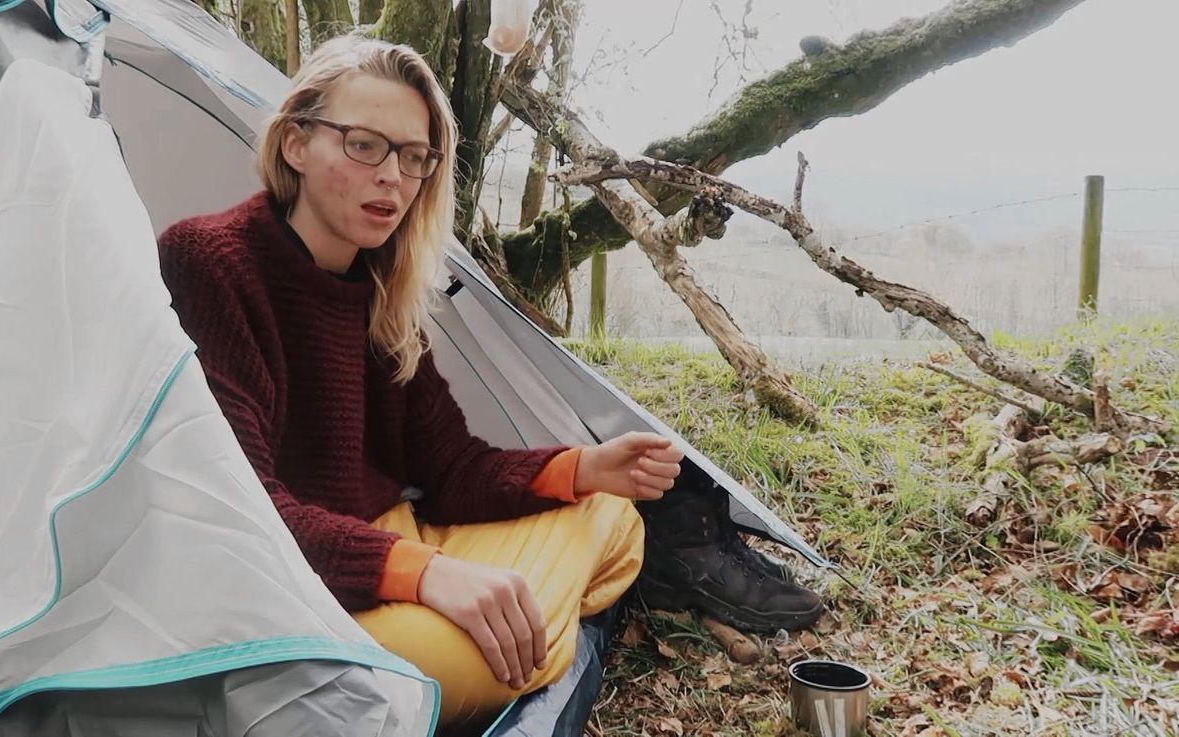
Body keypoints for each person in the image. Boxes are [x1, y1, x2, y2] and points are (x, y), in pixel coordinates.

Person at [158, 34, 821, 733]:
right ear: (296, 144)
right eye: (363, 145)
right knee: (452, 660)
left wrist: (583, 465)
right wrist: (427, 572)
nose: (393, 176)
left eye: (415, 158)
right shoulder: (209, 261)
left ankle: (521, 634)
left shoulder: (384, 287)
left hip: (399, 547)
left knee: (613, 519)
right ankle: (529, 640)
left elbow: (453, 470)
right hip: (298, 593)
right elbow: (243, 513)